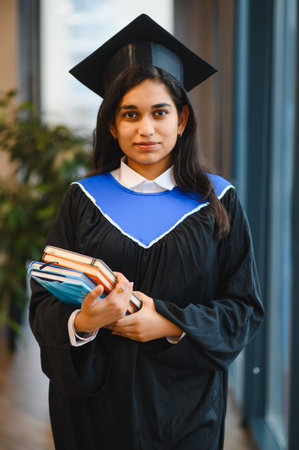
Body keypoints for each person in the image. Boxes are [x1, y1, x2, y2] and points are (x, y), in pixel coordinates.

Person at [29, 14, 264, 450]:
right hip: (93, 409)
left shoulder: (219, 201)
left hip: (186, 409)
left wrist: (170, 325)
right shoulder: (83, 199)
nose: (146, 129)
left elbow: (243, 309)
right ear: (113, 125)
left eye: (160, 112)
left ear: (181, 119)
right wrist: (83, 321)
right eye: (130, 114)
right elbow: (44, 299)